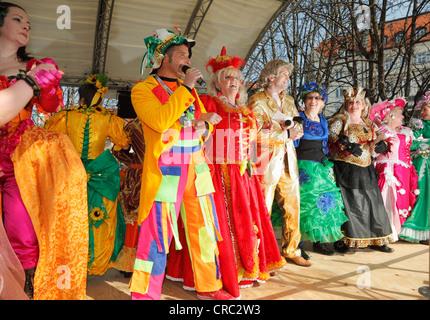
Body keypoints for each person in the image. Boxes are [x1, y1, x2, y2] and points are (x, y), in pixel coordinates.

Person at [166, 47, 286, 298]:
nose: (234, 82)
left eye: (237, 78)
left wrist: (256, 169)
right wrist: (202, 122)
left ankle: (246, 268)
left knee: (246, 222)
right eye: (228, 77)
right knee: (216, 226)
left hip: (243, 175)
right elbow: (193, 129)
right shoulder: (208, 103)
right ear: (217, 84)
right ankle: (217, 276)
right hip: (215, 173)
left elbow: (252, 145)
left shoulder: (247, 111)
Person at [129, 27, 232, 300]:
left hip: (196, 168)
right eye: (182, 55)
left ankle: (209, 286)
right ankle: (144, 294)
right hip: (166, 171)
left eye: (188, 55)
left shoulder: (189, 92)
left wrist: (204, 128)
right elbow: (160, 121)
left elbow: (202, 123)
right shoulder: (142, 90)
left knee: (204, 230)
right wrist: (186, 87)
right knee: (157, 234)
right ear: (165, 57)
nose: (188, 59)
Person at [0, 2, 88, 299]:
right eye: (17, 19)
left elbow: (51, 107)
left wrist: (48, 87)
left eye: (28, 22)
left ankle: (26, 291)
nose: (26, 25)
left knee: (22, 231)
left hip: (20, 159)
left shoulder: (33, 67)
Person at [45, 74, 130, 275]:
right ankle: (94, 262)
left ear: (81, 97)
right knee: (98, 217)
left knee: (71, 216)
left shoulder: (65, 116)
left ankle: (70, 261)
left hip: (71, 173)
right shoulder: (108, 119)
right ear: (99, 97)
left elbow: (50, 138)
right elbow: (124, 143)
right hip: (99, 174)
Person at [248, 59, 310, 266]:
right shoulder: (257, 100)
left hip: (288, 158)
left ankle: (292, 249)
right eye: (284, 75)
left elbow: (295, 125)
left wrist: (297, 131)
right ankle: (260, 253)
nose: (288, 79)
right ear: (271, 77)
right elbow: (253, 132)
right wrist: (282, 129)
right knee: (263, 208)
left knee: (293, 206)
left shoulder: (290, 100)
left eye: (288, 76)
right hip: (267, 160)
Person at [328, 87, 394, 253]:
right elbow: (331, 138)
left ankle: (375, 239)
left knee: (372, 202)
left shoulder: (370, 123)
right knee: (350, 204)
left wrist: (382, 145)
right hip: (346, 168)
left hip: (366, 168)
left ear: (364, 105)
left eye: (357, 102)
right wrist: (346, 145)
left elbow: (381, 138)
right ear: (346, 104)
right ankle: (345, 240)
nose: (354, 105)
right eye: (350, 102)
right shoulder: (341, 121)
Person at [294, 82, 348, 255]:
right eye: (310, 97)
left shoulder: (323, 120)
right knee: (304, 204)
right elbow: (293, 144)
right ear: (304, 100)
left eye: (317, 98)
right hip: (303, 167)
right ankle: (297, 244)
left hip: (321, 167)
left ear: (323, 102)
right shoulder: (298, 118)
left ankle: (319, 241)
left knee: (325, 203)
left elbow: (325, 144)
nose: (313, 101)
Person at [369, 98, 419, 241]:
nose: (403, 117)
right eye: (400, 114)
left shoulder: (404, 132)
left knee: (401, 201)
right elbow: (373, 150)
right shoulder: (383, 131)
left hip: (404, 172)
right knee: (389, 199)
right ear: (391, 115)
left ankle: (395, 231)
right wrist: (378, 147)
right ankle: (384, 232)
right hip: (389, 170)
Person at [112, 117, 145, 274]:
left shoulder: (132, 126)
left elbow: (117, 151)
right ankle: (147, 261)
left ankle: (129, 264)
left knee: (132, 220)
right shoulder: (165, 121)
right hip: (160, 175)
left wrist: (134, 161)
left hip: (136, 175)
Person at [399, 91, 430, 244]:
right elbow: (410, 142)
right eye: (422, 109)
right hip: (423, 163)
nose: (422, 112)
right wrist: (425, 144)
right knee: (422, 193)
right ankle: (418, 231)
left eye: (426, 108)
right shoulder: (419, 124)